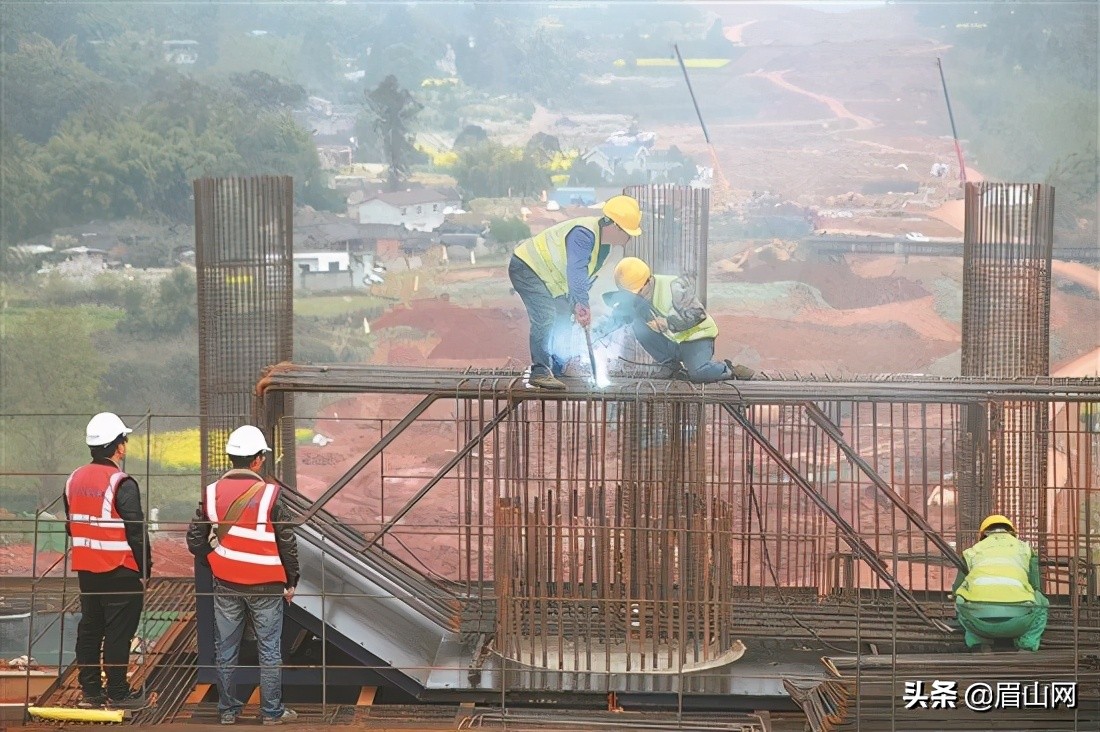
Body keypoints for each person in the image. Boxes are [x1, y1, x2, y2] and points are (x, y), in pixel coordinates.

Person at [186, 426, 299, 726]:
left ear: (231, 458)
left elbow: (195, 540)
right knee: (269, 649)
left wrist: (214, 562)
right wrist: (292, 580)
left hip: (226, 583)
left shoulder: (211, 494)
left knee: (226, 647)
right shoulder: (271, 496)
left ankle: (227, 710)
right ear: (258, 460)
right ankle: (272, 713)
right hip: (266, 585)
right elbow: (287, 542)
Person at [509, 194, 642, 390]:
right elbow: (576, 270)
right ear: (614, 226)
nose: (629, 238)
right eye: (628, 233)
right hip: (527, 267)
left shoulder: (602, 247)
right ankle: (540, 371)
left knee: (563, 315)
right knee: (545, 316)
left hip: (548, 278)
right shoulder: (584, 234)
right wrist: (582, 303)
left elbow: (582, 278)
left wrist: (575, 304)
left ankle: (558, 366)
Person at [64, 412, 151, 709]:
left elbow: (70, 523)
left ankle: (91, 692)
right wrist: (145, 569)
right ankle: (118, 693)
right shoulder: (121, 482)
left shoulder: (73, 479)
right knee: (118, 633)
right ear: (119, 446)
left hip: (87, 570)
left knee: (90, 629)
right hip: (120, 569)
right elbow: (136, 530)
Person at [596, 257, 754, 383]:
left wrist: (669, 323)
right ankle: (670, 367)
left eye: (637, 292)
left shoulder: (674, 286)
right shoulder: (637, 296)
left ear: (647, 282)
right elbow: (619, 317)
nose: (635, 297)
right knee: (639, 325)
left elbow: (697, 314)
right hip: (674, 342)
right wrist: (597, 333)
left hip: (697, 338)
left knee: (698, 373)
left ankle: (728, 369)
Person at [952, 514, 1049, 652]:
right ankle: (1026, 644)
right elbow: (1036, 586)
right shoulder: (1025, 549)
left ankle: (979, 643)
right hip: (1019, 621)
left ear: (984, 534)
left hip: (978, 622)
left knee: (960, 599)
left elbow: (956, 589)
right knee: (1042, 602)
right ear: (1011, 532)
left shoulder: (972, 551)